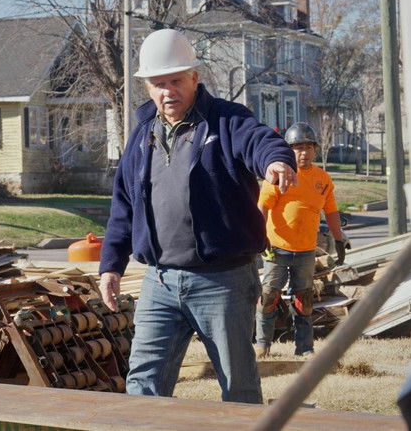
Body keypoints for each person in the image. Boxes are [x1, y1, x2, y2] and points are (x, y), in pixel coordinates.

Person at [98, 29, 297, 404]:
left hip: (223, 282)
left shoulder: (227, 120)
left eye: (176, 81)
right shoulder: (142, 132)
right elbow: (124, 204)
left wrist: (277, 160)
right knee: (143, 384)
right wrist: (111, 264)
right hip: (159, 281)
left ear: (195, 77)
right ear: (147, 87)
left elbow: (260, 141)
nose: (168, 91)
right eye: (159, 83)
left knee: (238, 386)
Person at [255, 122, 347, 358]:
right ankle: (263, 345)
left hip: (306, 251)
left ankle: (304, 348)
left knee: (303, 300)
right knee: (269, 298)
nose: (303, 153)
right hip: (276, 249)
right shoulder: (279, 175)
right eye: (297, 148)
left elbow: (332, 211)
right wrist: (260, 240)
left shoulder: (322, 179)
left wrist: (338, 239)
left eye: (307, 147)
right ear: (288, 149)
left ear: (315, 149)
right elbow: (262, 208)